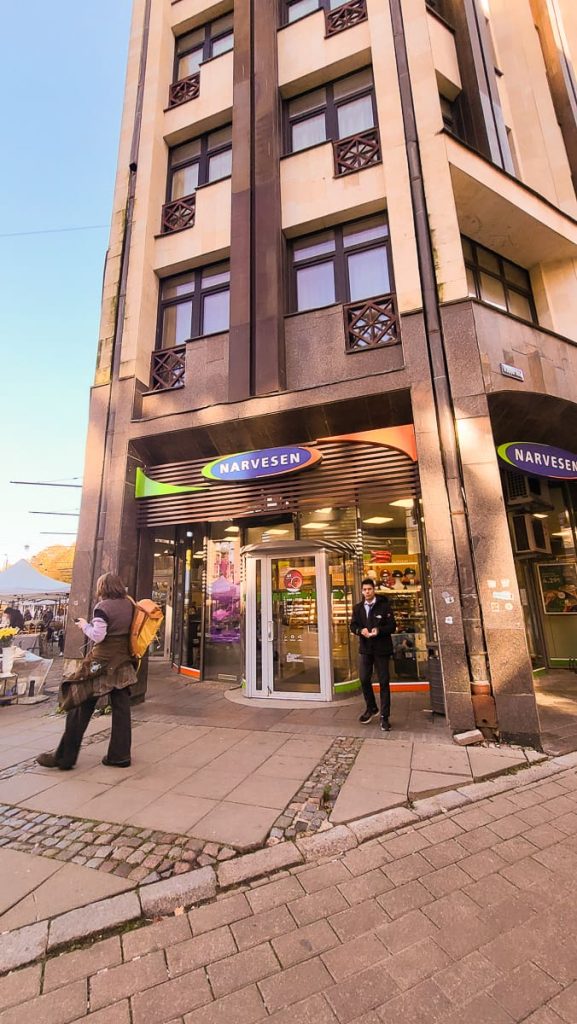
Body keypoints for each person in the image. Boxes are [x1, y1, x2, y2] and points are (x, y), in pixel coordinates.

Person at [36, 572, 137, 770]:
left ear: (103, 587)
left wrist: (84, 625)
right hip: (124, 661)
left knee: (78, 701)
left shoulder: (102, 607)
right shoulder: (129, 604)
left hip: (100, 663)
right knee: (122, 709)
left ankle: (65, 757)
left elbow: (98, 636)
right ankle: (120, 755)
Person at [350, 577, 396, 731]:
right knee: (364, 679)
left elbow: (392, 626)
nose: (367, 592)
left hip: (382, 649)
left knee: (383, 682)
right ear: (362, 591)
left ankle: (385, 716)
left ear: (374, 590)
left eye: (369, 589)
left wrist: (379, 631)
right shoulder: (358, 608)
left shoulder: (384, 606)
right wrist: (359, 631)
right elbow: (353, 625)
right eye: (364, 590)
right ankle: (371, 708)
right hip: (366, 649)